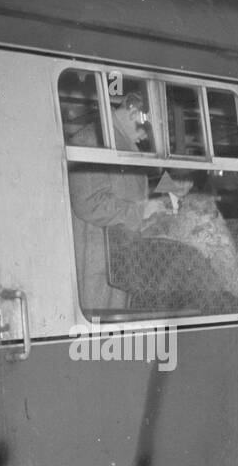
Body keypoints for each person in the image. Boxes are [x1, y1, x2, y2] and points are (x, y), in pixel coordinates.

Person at [66, 90, 173, 312]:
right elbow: (89, 202)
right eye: (148, 128)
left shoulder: (118, 141)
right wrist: (142, 210)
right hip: (100, 267)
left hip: (120, 264)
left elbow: (124, 192)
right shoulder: (92, 140)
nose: (148, 138)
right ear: (133, 111)